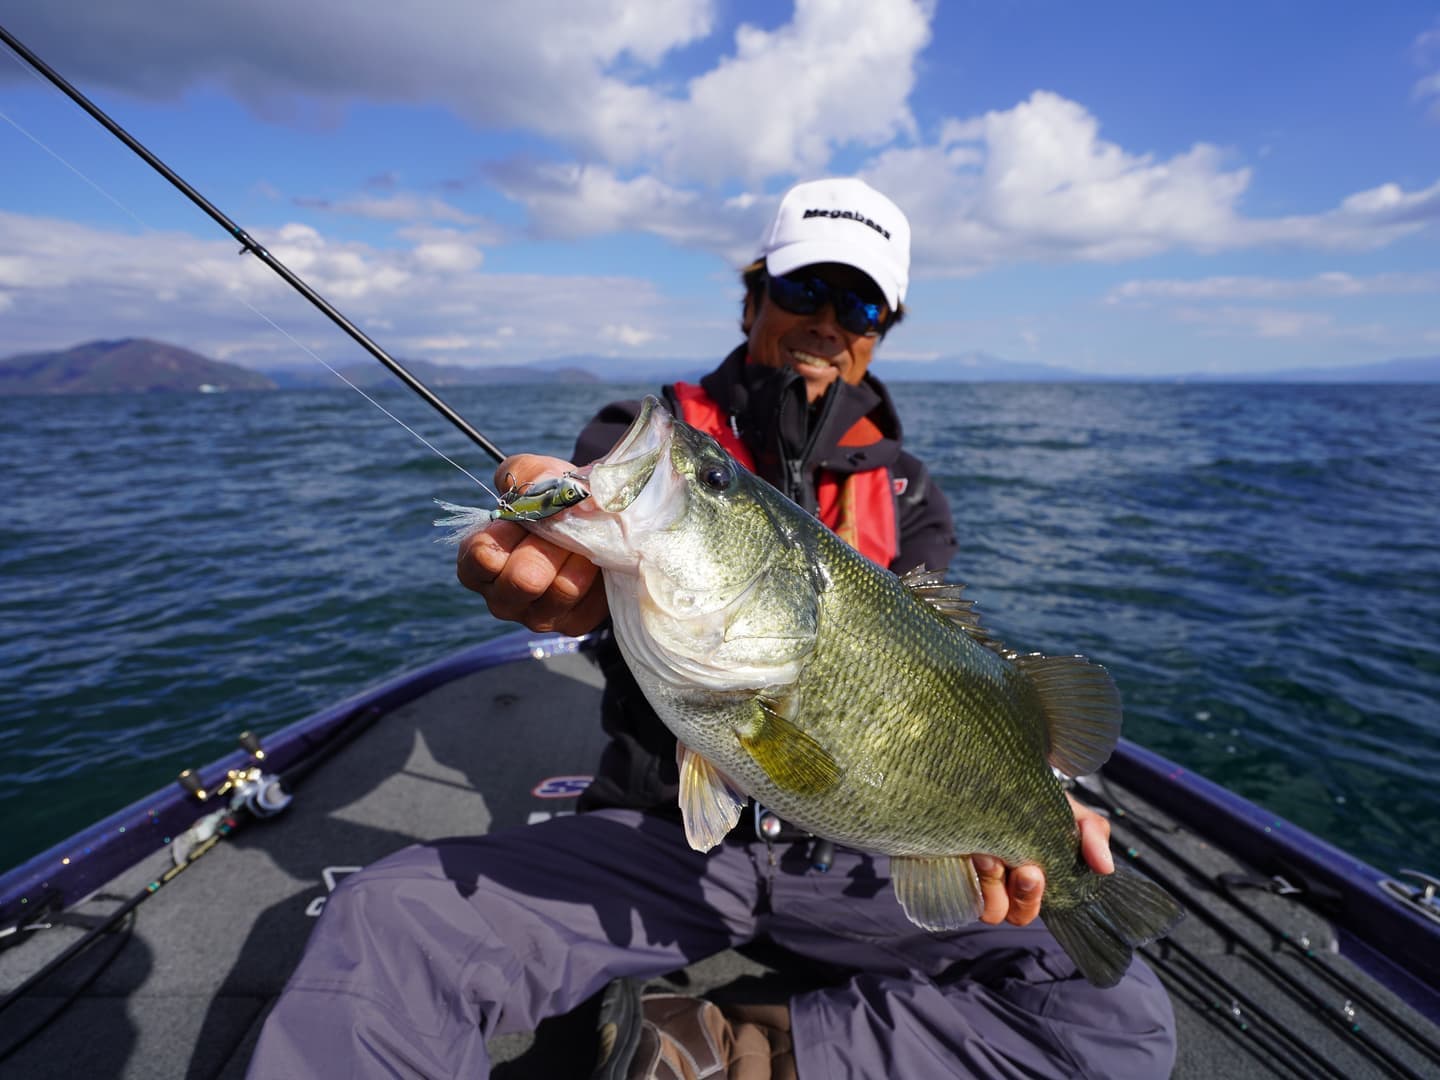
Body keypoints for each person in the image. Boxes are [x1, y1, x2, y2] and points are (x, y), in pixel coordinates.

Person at [248, 179, 1176, 1079]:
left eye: (860, 305)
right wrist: (576, 579)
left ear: (881, 330)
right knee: (390, 924)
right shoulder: (643, 434)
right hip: (658, 837)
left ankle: (747, 1046)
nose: (828, 321)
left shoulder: (911, 491)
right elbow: (610, 566)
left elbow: (956, 685)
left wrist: (1039, 798)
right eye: (805, 287)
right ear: (753, 296)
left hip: (858, 859)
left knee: (1117, 1016)